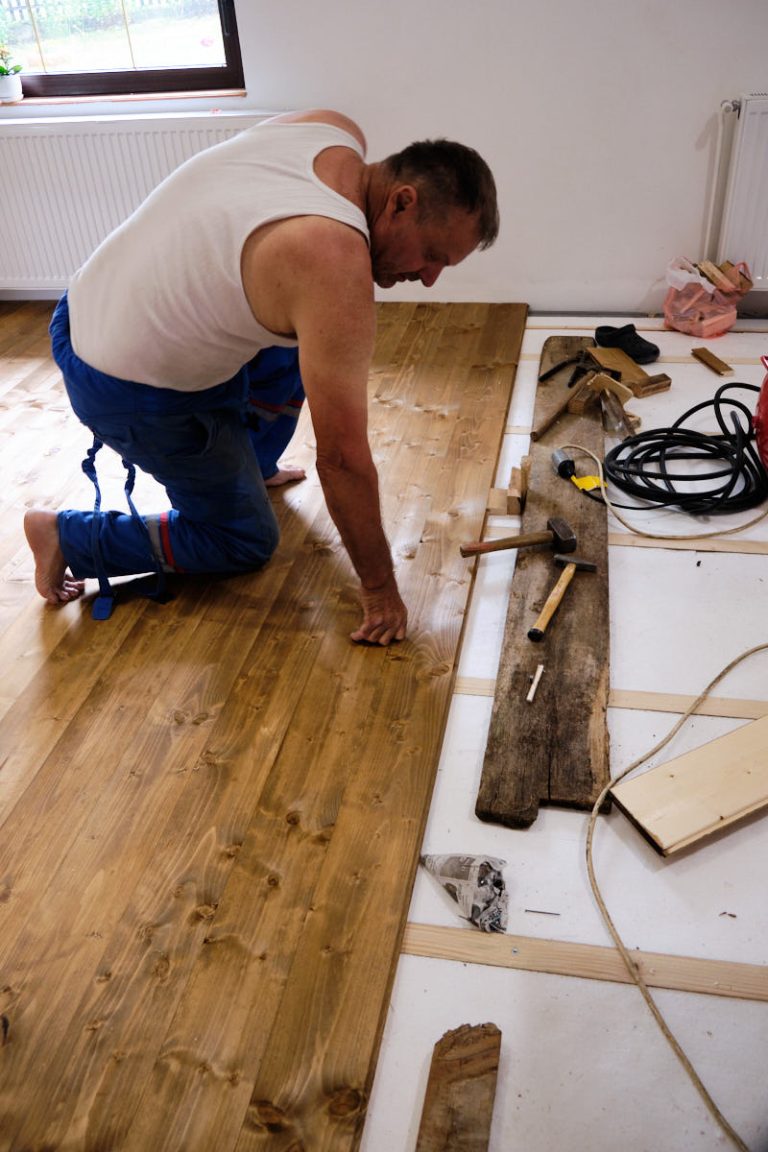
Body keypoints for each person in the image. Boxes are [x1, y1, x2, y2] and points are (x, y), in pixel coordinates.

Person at [24, 108, 499, 646]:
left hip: (86, 305)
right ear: (402, 200)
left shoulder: (329, 128)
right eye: (432, 255)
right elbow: (341, 458)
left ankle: (251, 463)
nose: (430, 279)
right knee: (243, 540)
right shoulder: (332, 258)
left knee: (304, 339)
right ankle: (68, 536)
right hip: (128, 386)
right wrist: (380, 588)